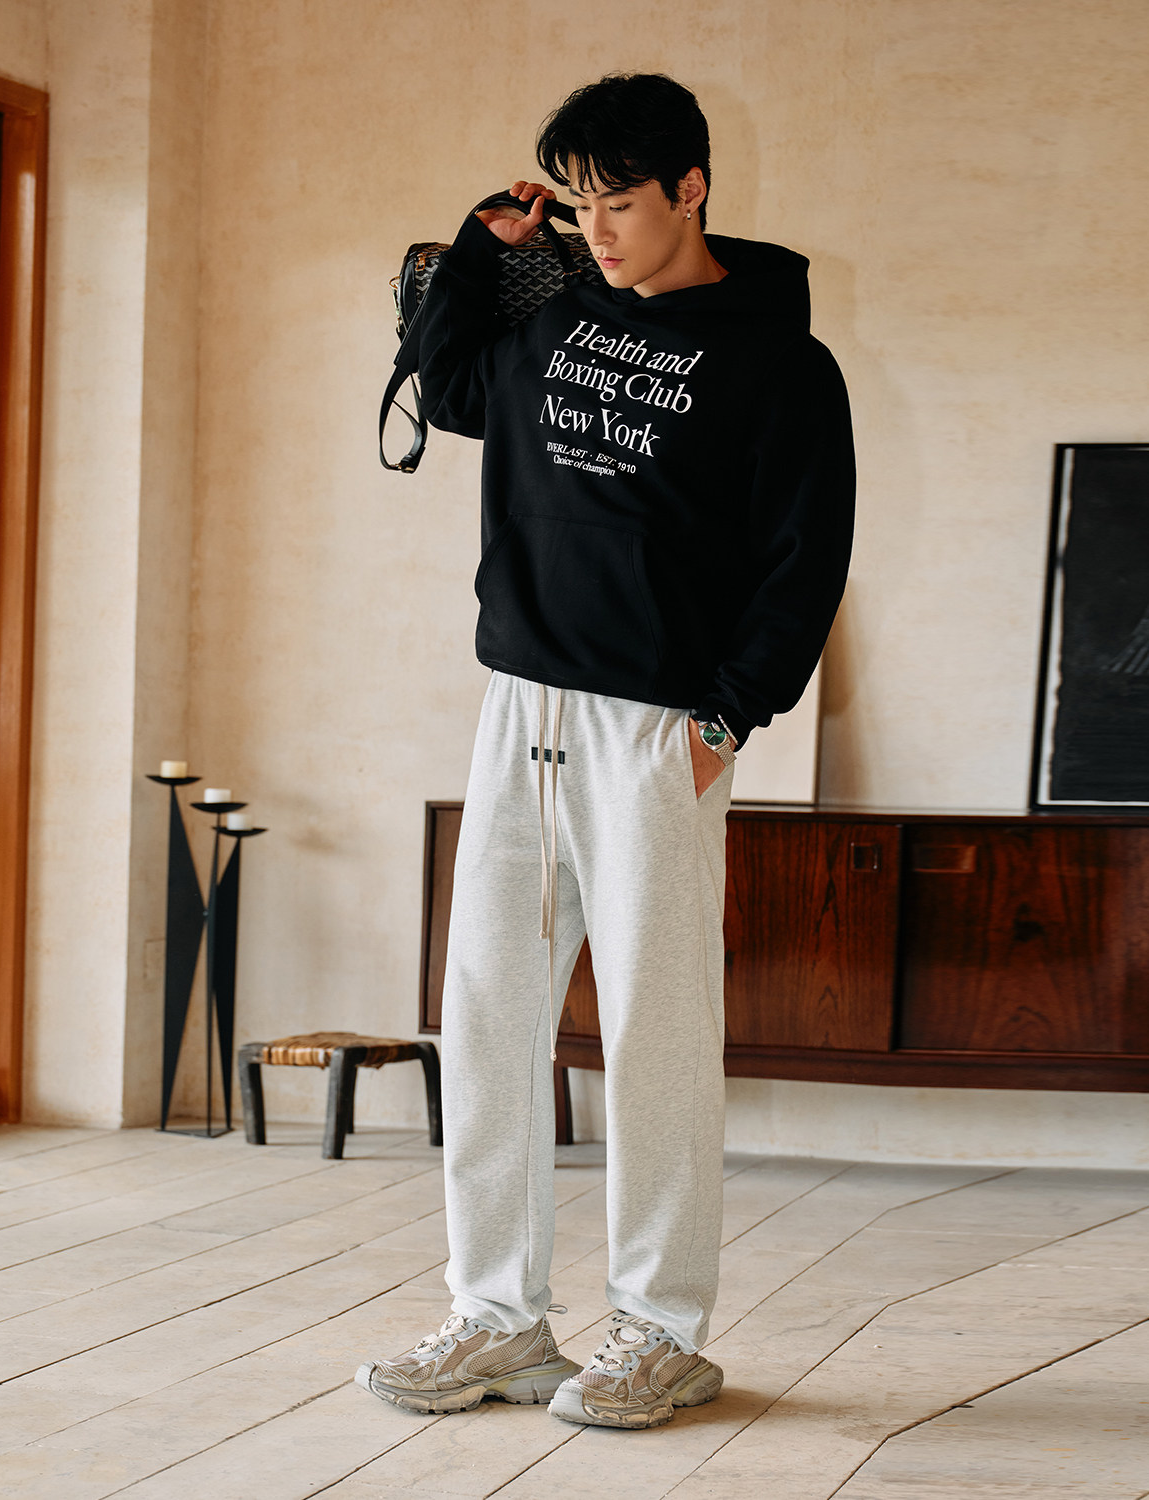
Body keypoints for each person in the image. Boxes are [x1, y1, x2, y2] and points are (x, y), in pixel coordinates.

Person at [356, 72, 855, 1430]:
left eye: (619, 203)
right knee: (491, 1012)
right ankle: (499, 1317)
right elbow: (449, 386)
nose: (599, 232)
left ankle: (661, 1328)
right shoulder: (554, 315)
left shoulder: (779, 364)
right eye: (578, 206)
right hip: (520, 707)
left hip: (657, 727)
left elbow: (806, 558)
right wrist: (484, 254)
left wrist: (729, 715)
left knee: (654, 1029)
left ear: (692, 188)